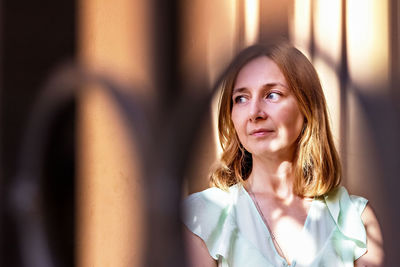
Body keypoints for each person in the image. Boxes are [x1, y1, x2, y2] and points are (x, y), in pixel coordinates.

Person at [182, 43, 384, 267]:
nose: (254, 113)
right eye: (241, 98)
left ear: (307, 107)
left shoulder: (356, 220)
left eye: (272, 95)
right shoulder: (203, 215)